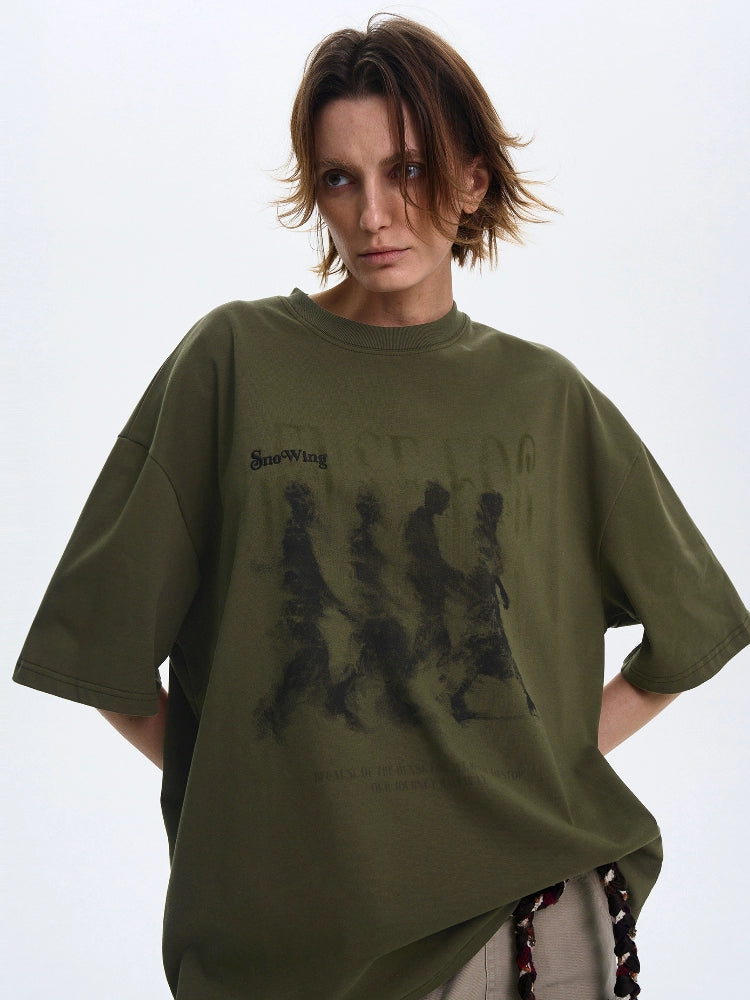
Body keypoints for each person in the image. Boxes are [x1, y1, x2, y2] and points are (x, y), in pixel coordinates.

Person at [13, 14, 749, 1000]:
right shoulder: (233, 363)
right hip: (288, 953)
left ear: (472, 181)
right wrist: (260, 797)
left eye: (406, 171)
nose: (373, 215)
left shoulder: (546, 399)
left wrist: (537, 766)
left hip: (525, 928)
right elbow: (102, 644)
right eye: (339, 178)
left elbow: (691, 633)